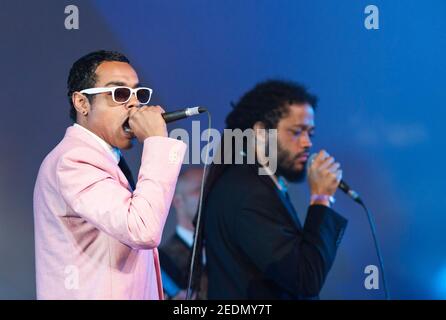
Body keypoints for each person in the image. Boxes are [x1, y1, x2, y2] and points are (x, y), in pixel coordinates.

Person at [33, 50, 186, 299]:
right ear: (82, 103)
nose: (134, 103)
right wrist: (157, 142)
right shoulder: (73, 161)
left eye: (138, 93)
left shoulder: (106, 158)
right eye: (120, 93)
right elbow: (142, 229)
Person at [199, 80, 348, 299]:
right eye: (297, 132)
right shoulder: (247, 192)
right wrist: (321, 197)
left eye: (310, 133)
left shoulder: (261, 183)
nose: (307, 143)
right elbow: (304, 278)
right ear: (261, 132)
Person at [159, 167, 207, 300]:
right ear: (178, 201)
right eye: (200, 189)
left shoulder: (228, 250)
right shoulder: (161, 263)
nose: (210, 194)